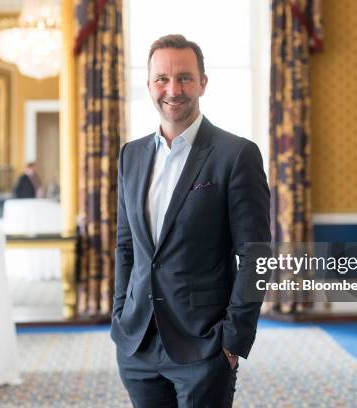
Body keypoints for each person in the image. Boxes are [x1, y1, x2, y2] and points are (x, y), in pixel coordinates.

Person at [110, 34, 271, 407]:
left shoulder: (236, 155)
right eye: (162, 79)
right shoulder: (130, 156)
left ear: (202, 82)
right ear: (149, 85)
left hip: (205, 347)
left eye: (184, 77)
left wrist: (234, 340)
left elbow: (258, 257)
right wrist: (120, 314)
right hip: (137, 346)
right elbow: (125, 246)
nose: (173, 89)